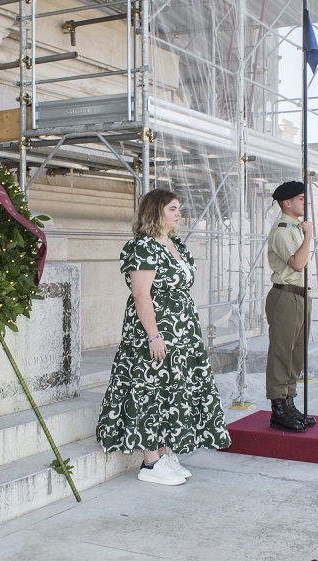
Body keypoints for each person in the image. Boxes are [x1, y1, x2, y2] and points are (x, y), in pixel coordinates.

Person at [96, 189, 231, 486]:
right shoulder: (142, 246)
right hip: (155, 331)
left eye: (179, 207)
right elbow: (141, 294)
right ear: (156, 211)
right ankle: (150, 460)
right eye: (172, 208)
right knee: (150, 391)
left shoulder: (174, 243)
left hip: (182, 331)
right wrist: (154, 336)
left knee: (170, 391)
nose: (178, 213)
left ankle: (163, 452)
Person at [265, 180, 317, 432]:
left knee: (297, 353)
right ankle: (278, 408)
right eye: (301, 198)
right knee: (281, 353)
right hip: (285, 297)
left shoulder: (295, 227)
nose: (305, 202)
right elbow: (298, 263)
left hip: (300, 295)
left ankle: (289, 401)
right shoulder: (283, 230)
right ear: (287, 203)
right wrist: (308, 235)